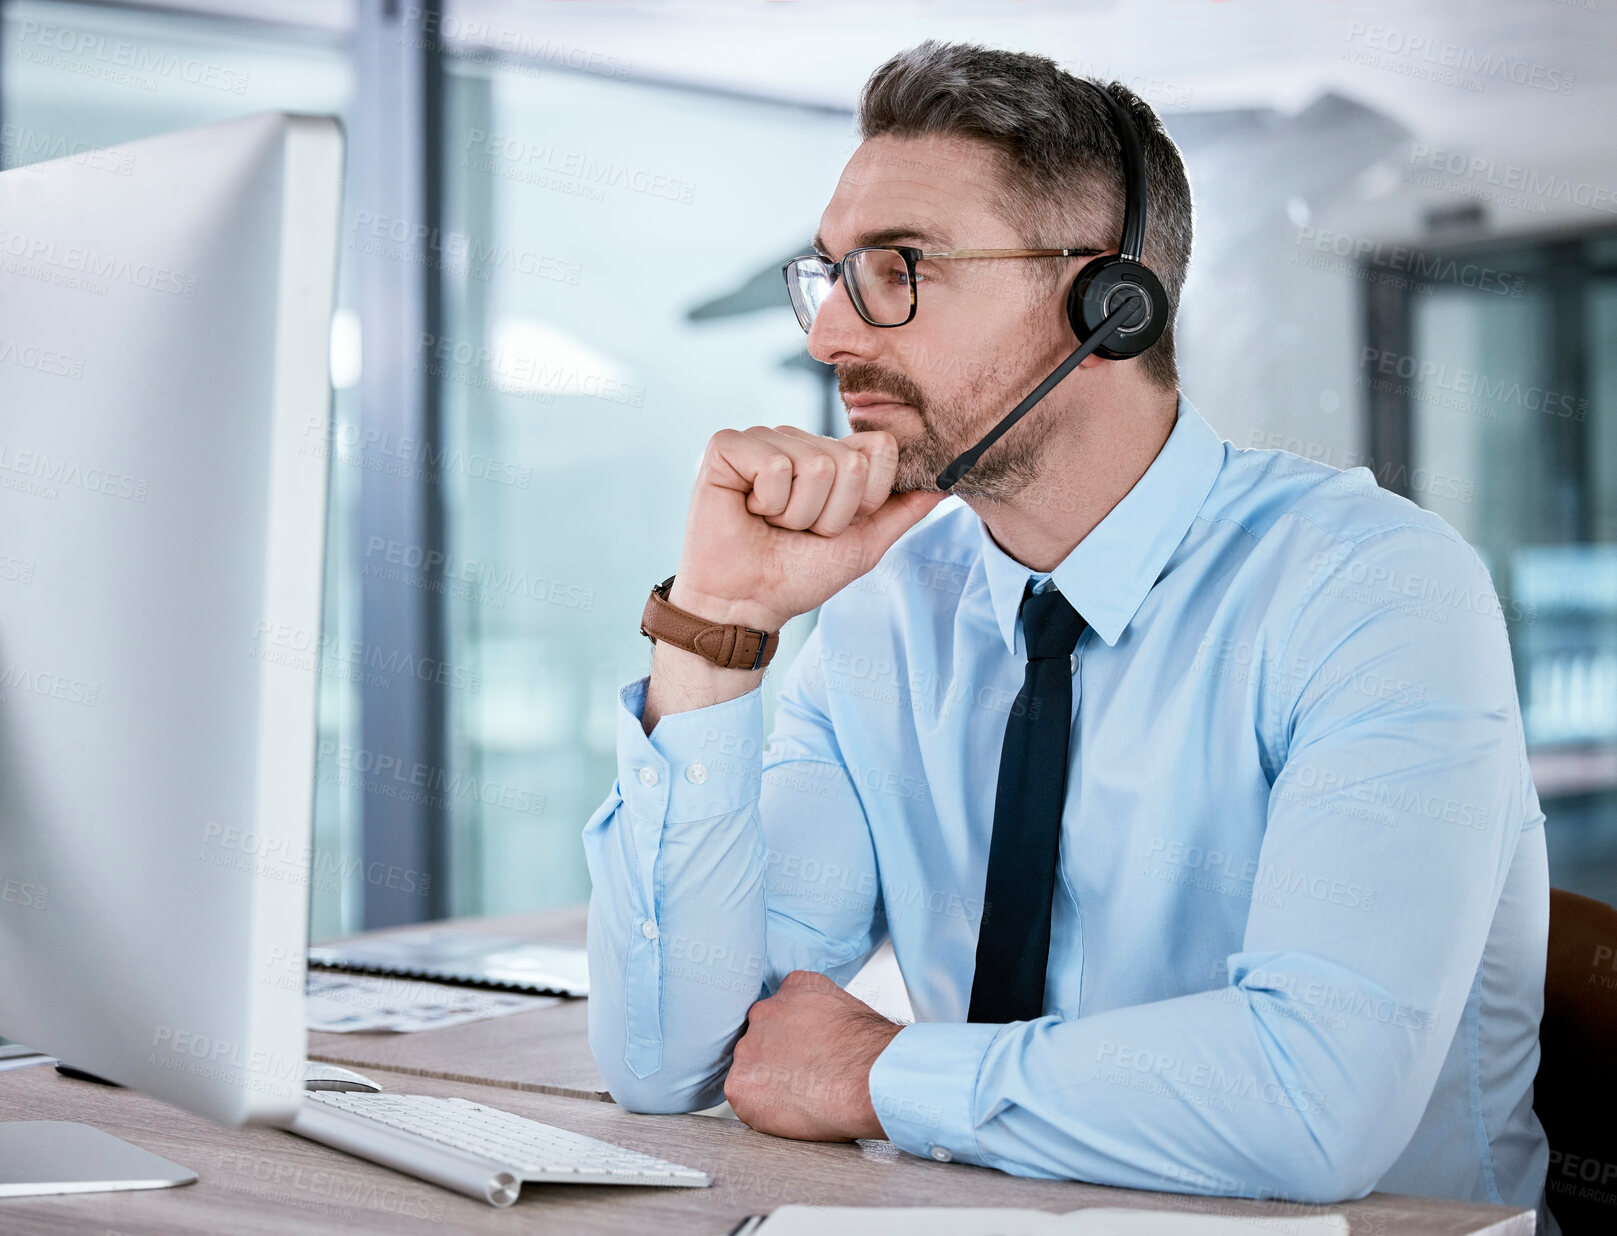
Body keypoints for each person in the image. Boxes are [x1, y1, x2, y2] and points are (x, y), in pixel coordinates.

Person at [583, 39, 1553, 1225]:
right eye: (831, 272)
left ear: (1110, 303)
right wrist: (714, 631)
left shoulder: (1378, 593)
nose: (830, 332)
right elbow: (671, 1057)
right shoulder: (888, 609)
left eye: (897, 268)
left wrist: (877, 1073)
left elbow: (1315, 1103)